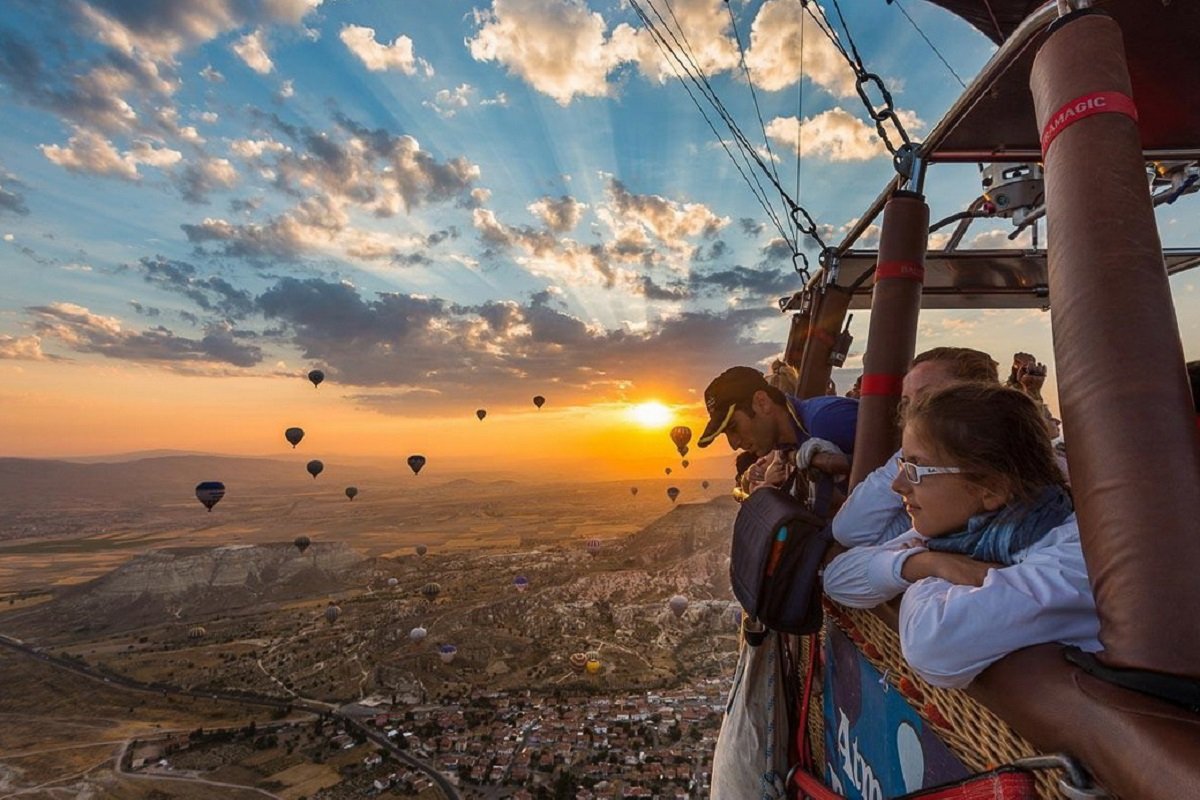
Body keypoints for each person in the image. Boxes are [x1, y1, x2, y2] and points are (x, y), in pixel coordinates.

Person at [822, 384, 1101, 689]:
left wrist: (924, 579)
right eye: (903, 464)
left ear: (990, 488)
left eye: (916, 469)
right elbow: (837, 579)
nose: (898, 485)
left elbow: (932, 643)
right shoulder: (967, 532)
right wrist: (931, 565)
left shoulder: (1074, 557)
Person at [832, 347, 999, 547]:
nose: (913, 412)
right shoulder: (923, 506)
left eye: (928, 398)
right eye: (906, 402)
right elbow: (850, 531)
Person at [697, 366, 858, 489]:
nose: (734, 444)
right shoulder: (788, 445)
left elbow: (881, 475)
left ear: (762, 402)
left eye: (733, 427)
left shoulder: (825, 420)